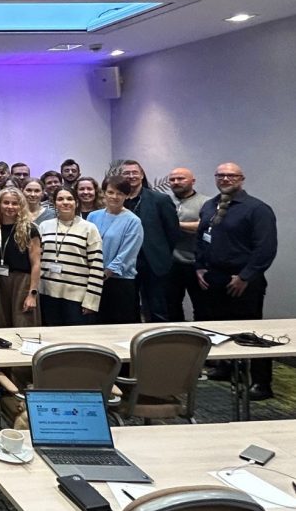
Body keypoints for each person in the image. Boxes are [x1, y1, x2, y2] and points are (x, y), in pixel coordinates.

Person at [196, 163, 277, 400]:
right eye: (220, 175)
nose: (225, 179)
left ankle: (261, 383)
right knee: (219, 327)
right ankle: (226, 367)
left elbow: (265, 248)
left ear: (241, 179)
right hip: (214, 277)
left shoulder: (257, 209)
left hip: (243, 280)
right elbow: (201, 238)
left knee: (250, 331)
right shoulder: (209, 205)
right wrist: (199, 266)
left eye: (231, 175)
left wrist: (245, 276)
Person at [117, 160, 180, 322]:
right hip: (125, 262)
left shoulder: (160, 199)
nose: (131, 176)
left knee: (157, 308)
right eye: (126, 173)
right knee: (128, 308)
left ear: (142, 175)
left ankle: (159, 337)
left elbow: (172, 231)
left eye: (134, 172)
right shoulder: (116, 200)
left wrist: (162, 253)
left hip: (153, 262)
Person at [38, 189, 104, 326]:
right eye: (60, 199)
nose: (65, 202)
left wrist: (91, 301)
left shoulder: (89, 228)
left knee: (76, 337)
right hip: (47, 293)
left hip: (76, 297)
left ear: (76, 202)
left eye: (69, 199)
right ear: (54, 203)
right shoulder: (44, 226)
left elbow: (96, 266)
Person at [87, 176, 144, 325]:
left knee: (118, 325)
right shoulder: (93, 216)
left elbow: (127, 253)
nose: (114, 196)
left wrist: (106, 272)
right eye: (110, 192)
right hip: (93, 279)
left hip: (119, 282)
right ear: (104, 193)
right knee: (94, 324)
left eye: (120, 193)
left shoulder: (133, 221)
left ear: (127, 196)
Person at [0, 188, 42, 329]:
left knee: (23, 324)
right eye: (6, 202)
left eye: (15, 203)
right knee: (1, 325)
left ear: (21, 206)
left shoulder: (30, 229)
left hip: (22, 283)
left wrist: (32, 294)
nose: (10, 207)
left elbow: (36, 264)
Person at [165, 167, 210, 322]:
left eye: (181, 178)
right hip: (171, 264)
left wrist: (174, 225)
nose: (176, 182)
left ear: (193, 181)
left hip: (196, 264)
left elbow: (204, 226)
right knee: (171, 307)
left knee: (202, 307)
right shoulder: (165, 201)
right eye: (172, 179)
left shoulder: (206, 202)